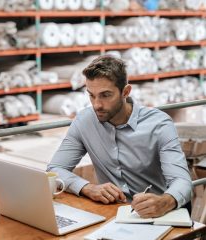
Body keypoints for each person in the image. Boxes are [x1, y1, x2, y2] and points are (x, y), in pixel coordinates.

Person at [47, 55, 192, 218]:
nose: (97, 105)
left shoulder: (159, 124)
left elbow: (182, 182)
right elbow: (54, 169)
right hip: (110, 214)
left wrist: (165, 201)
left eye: (105, 95)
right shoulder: (84, 121)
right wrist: (87, 188)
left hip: (156, 216)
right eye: (91, 95)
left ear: (125, 92)